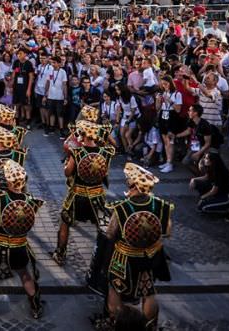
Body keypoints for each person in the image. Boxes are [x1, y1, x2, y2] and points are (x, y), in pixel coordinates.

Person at [0, 160, 44, 320]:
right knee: (24, 274)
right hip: (19, 245)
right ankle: (36, 307)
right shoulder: (31, 200)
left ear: (8, 180)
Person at [104, 163, 173, 331]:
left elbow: (110, 233)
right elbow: (167, 232)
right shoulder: (161, 206)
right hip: (149, 257)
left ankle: (116, 322)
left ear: (134, 185)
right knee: (148, 292)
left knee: (115, 288)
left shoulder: (121, 208)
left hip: (124, 258)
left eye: (128, 180)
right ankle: (150, 326)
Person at [51, 119, 115, 266]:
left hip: (77, 196)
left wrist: (66, 165)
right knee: (103, 226)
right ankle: (105, 258)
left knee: (65, 223)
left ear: (83, 135)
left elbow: (68, 173)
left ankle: (60, 254)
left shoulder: (77, 152)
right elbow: (105, 173)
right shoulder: (105, 152)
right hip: (97, 195)